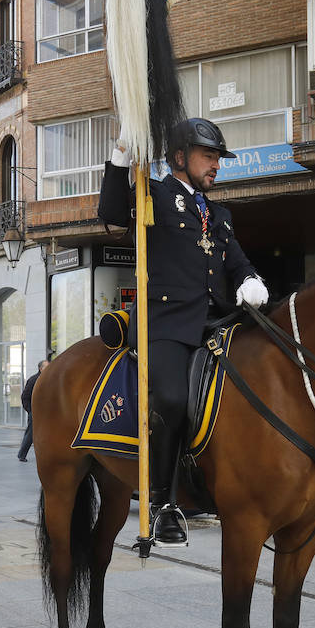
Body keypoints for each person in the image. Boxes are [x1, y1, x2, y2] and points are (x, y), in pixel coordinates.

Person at [97, 117, 268, 545]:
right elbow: (112, 211)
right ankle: (163, 501)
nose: (216, 166)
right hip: (166, 323)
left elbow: (238, 262)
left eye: (218, 158)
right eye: (208, 156)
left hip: (218, 323)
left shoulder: (220, 214)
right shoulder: (153, 194)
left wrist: (251, 281)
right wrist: (122, 154)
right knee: (172, 399)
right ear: (179, 157)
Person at [17, 359, 48, 462]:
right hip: (35, 413)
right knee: (30, 434)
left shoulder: (50, 379)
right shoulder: (33, 380)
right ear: (41, 368)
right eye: (46, 367)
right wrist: (30, 411)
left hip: (47, 412)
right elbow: (25, 397)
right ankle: (22, 454)